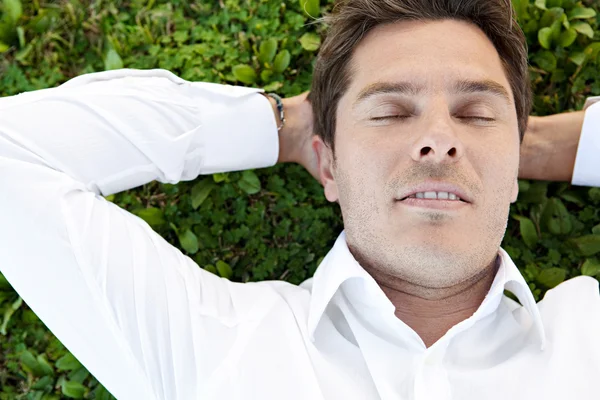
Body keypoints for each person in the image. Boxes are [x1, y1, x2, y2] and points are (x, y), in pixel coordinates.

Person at [1, 0, 599, 399]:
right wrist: (283, 127)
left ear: (517, 161)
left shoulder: (588, 332)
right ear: (329, 164)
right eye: (389, 111)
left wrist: (528, 143)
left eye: (475, 113)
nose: (439, 140)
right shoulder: (213, 341)